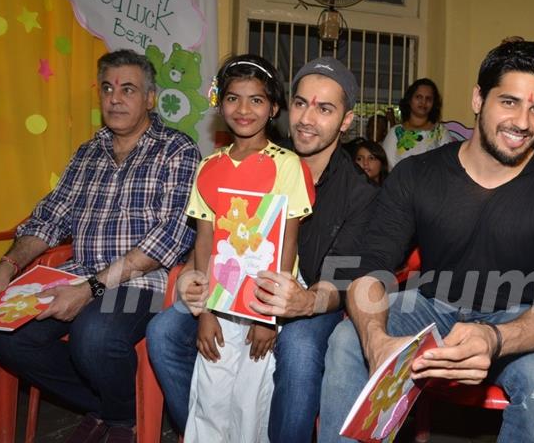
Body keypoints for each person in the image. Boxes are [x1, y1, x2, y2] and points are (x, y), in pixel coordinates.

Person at [318, 40, 534, 443]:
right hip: (432, 307)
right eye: (509, 102)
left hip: (522, 317)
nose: (523, 122)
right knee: (348, 339)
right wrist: (375, 340)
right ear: (478, 98)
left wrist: (496, 337)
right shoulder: (416, 174)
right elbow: (369, 267)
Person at [145, 56, 379, 441]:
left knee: (300, 349)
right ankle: (203, 427)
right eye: (301, 103)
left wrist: (297, 305)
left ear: (347, 120)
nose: (306, 118)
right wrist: (191, 274)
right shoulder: (257, 151)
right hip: (230, 287)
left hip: (312, 296)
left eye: (324, 109)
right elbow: (214, 229)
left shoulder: (360, 194)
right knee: (164, 330)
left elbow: (341, 281)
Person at [0, 49, 200, 443]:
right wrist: (6, 267)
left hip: (144, 284)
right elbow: (49, 218)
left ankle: (120, 422)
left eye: (128, 89)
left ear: (150, 98)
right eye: (107, 88)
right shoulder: (87, 154)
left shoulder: (177, 150)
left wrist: (90, 290)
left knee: (94, 334)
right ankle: (112, 408)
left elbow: (172, 235)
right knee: (4, 335)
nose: (115, 98)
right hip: (76, 275)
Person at [179, 54, 313, 442]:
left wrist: (268, 316)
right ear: (220, 104)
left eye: (256, 100)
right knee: (210, 392)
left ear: (273, 108)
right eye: (233, 98)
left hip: (264, 294)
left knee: (252, 398)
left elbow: (287, 241)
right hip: (219, 293)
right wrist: (205, 311)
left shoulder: (288, 165)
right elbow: (204, 239)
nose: (243, 109)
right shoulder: (208, 167)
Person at [381, 78, 452, 170]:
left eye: (428, 98)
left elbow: (447, 165)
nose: (423, 102)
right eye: (419, 97)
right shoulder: (395, 132)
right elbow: (387, 167)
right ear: (409, 99)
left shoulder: (441, 132)